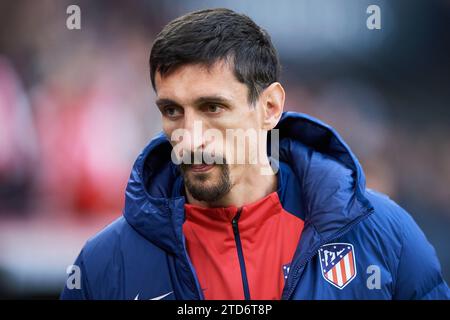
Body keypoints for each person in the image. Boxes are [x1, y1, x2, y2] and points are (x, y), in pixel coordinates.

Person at [61, 8, 449, 300]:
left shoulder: (384, 236)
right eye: (172, 111)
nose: (191, 136)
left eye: (213, 107)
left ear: (270, 108)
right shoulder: (104, 265)